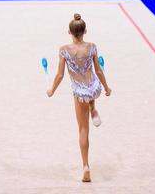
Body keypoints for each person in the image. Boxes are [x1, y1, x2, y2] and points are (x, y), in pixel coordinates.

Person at [46, 13, 112, 182]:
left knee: (83, 130)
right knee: (91, 88)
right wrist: (106, 87)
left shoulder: (64, 51)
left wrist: (52, 89)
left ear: (69, 32)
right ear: (85, 31)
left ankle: (86, 166)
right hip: (93, 88)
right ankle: (93, 108)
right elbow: (98, 71)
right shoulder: (92, 47)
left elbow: (60, 75)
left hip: (80, 93)